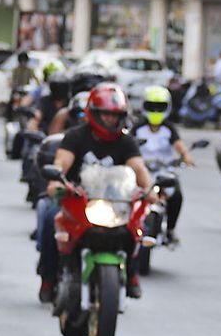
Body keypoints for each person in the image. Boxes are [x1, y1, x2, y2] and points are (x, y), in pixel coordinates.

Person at [38, 84, 156, 303]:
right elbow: (62, 162)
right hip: (77, 199)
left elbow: (139, 168)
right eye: (107, 115)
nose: (111, 120)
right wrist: (56, 182)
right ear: (93, 113)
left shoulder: (126, 141)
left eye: (116, 115)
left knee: (142, 222)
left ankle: (132, 273)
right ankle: (47, 278)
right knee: (48, 216)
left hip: (116, 203)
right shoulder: (76, 136)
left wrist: (150, 191)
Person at [134, 85, 196, 244]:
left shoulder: (169, 129)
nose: (155, 110)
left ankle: (170, 229)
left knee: (177, 194)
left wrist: (186, 157)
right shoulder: (137, 128)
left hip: (164, 172)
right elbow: (128, 146)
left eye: (159, 107)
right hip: (142, 171)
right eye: (151, 106)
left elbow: (179, 146)